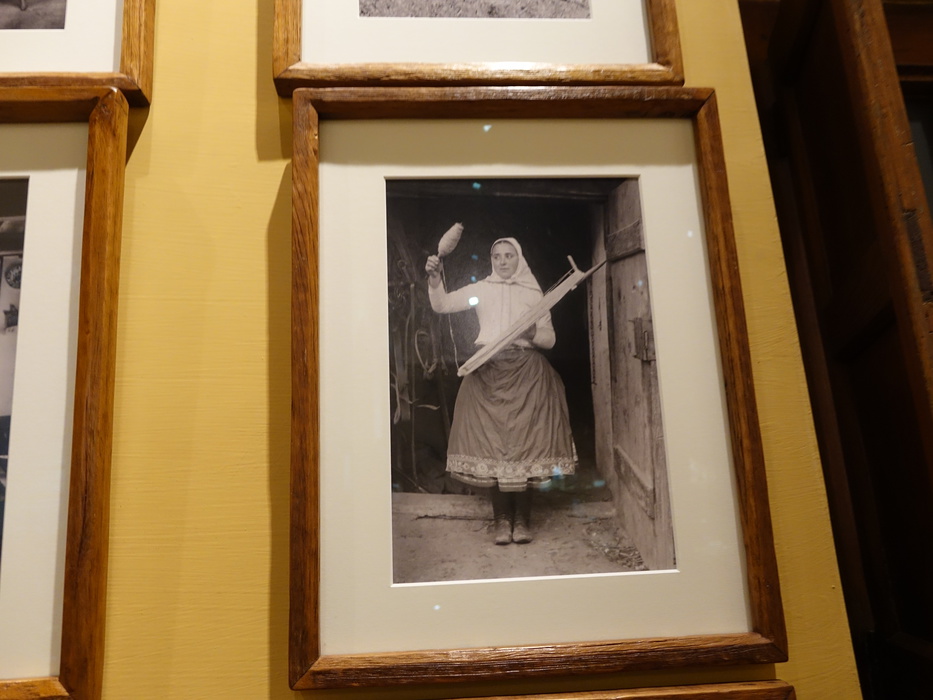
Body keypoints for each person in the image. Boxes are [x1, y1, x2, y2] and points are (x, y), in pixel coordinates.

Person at [425, 237, 576, 545]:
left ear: (519, 259)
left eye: (509, 255)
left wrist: (530, 331)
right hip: (488, 374)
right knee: (493, 447)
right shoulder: (481, 291)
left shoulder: (533, 294)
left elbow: (549, 340)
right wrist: (435, 279)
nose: (503, 261)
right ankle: (501, 520)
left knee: (525, 446)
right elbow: (443, 305)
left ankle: (522, 521)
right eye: (497, 256)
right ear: (491, 260)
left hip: (527, 375)